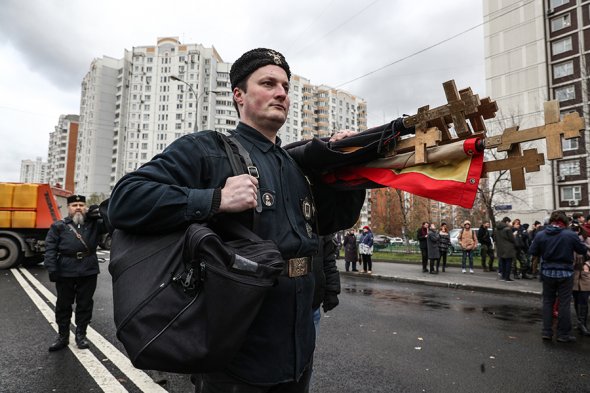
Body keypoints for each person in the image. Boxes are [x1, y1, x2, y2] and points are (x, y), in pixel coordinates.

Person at [107, 48, 366, 392]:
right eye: (268, 83)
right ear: (239, 96)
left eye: (286, 87)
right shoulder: (206, 149)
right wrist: (215, 199)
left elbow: (330, 223)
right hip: (236, 357)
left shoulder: (295, 166)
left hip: (298, 348)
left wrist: (350, 170)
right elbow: (125, 200)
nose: (281, 93)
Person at [44, 195, 105, 352]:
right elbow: (50, 249)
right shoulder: (59, 226)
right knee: (63, 305)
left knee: (85, 304)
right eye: (74, 205)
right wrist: (52, 269)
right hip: (66, 270)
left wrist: (99, 211)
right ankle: (63, 337)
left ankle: (81, 336)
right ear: (68, 208)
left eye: (81, 205)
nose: (78, 207)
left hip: (88, 269)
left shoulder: (95, 224)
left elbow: (112, 221)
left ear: (85, 207)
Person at [529, 210, 588, 342]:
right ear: (565, 221)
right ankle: (563, 334)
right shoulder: (570, 234)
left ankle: (546, 332)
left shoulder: (541, 234)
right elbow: (582, 250)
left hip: (547, 272)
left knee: (548, 302)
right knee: (564, 303)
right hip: (565, 273)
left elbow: (532, 251)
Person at [312, 234, 341, 334]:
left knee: (308, 348)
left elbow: (328, 261)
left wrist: (332, 291)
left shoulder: (318, 223)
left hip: (312, 305)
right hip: (280, 308)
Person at [572, 224, 590, 337]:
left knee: (583, 299)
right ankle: (579, 322)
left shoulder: (588, 242)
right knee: (576, 299)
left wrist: (587, 265)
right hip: (573, 274)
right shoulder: (570, 242)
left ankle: (583, 323)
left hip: (585, 274)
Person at [495, 217, 516, 282]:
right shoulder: (507, 229)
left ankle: (503, 276)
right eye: (509, 222)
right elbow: (512, 239)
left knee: (502, 262)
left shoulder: (497, 229)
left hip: (500, 247)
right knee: (508, 263)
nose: (509, 224)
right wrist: (514, 235)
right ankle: (507, 277)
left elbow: (495, 238)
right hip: (508, 248)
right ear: (506, 222)